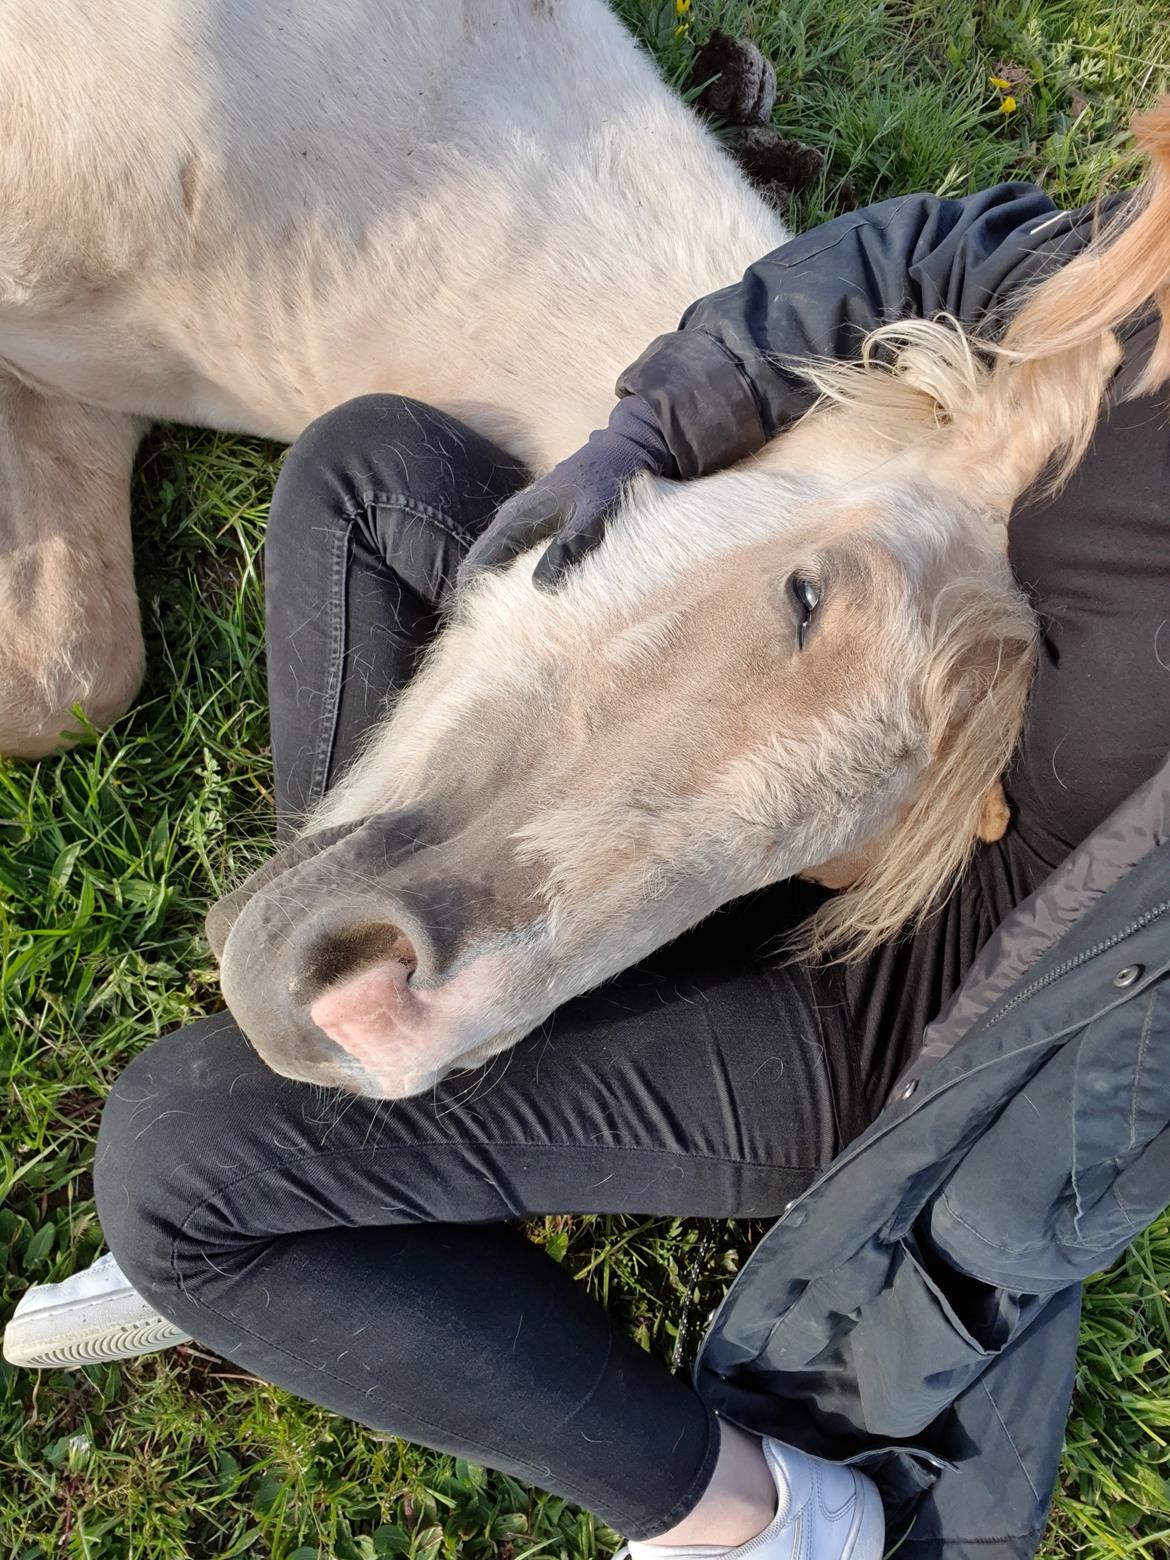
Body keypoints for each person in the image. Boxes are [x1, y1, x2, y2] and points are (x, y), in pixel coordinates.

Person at [7, 147, 1170, 1560]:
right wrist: (650, 434)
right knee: (373, 473)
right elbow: (929, 254)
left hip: (906, 1004)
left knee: (178, 1171)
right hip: (799, 751)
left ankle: (755, 1519)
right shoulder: (1143, 266)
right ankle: (365, 1121)